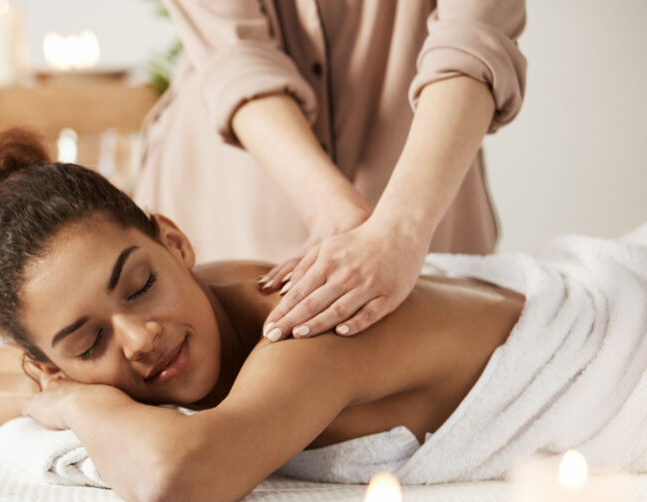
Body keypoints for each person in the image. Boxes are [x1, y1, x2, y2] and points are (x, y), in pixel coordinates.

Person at [0, 129, 537, 502]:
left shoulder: (305, 328)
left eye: (141, 284)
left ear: (176, 242)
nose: (140, 336)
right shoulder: (99, 358)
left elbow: (174, 476)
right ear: (49, 361)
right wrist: (47, 397)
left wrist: (73, 395)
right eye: (91, 340)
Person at [134, 0, 527, 343]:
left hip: (423, 180)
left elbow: (475, 37)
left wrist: (401, 230)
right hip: (242, 177)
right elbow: (236, 56)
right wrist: (336, 212)